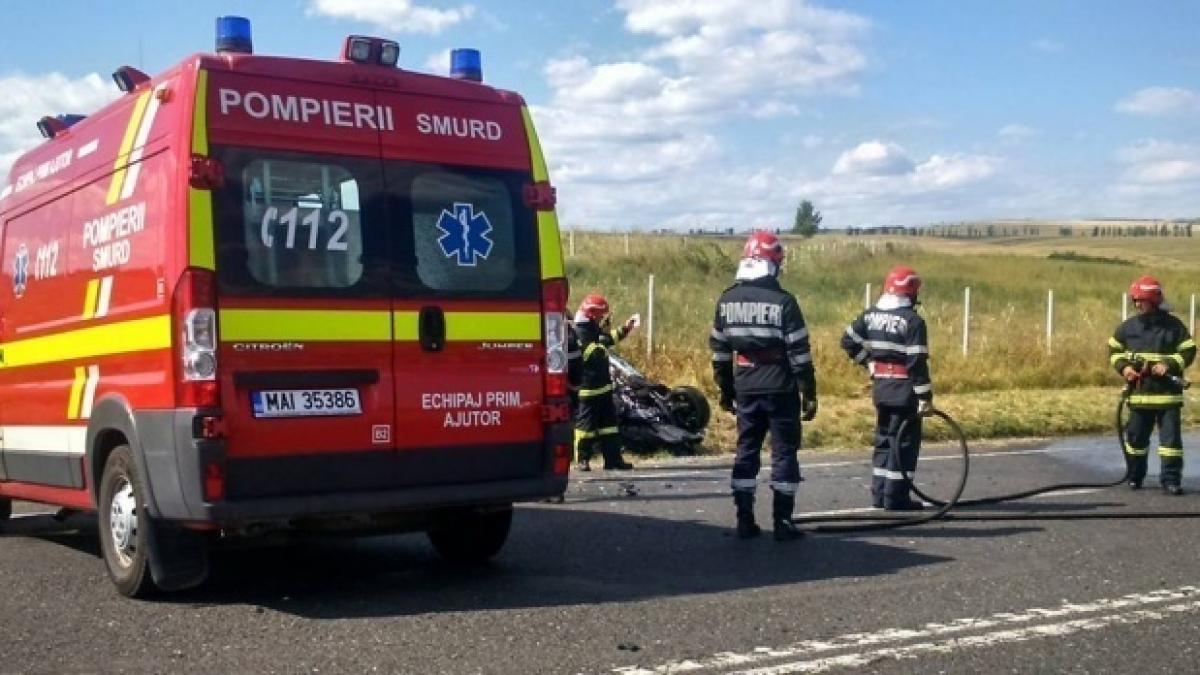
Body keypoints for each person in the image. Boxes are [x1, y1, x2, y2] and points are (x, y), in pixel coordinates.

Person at [709, 231, 816, 541]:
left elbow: (719, 353)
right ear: (772, 264)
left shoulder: (726, 300)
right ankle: (783, 523)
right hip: (780, 387)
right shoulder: (785, 302)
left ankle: (744, 520)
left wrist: (726, 391)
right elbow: (800, 354)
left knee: (746, 451)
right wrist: (808, 392)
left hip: (745, 386)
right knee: (784, 453)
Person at [840, 265, 932, 511]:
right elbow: (916, 362)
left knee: (884, 441)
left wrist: (869, 363)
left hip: (881, 388)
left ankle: (879, 494)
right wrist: (925, 396)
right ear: (910, 292)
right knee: (903, 444)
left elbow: (848, 340)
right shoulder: (913, 321)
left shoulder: (870, 314)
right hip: (905, 391)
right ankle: (896, 498)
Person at [1109, 275, 1195, 495]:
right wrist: (1125, 369)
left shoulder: (1174, 327)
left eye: (1143, 300)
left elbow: (1188, 350)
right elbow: (1114, 350)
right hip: (1139, 396)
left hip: (1168, 398)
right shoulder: (1127, 328)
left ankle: (1171, 481)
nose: (1138, 305)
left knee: (1170, 444)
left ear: (1155, 301)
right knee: (1136, 439)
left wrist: (1169, 364)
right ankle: (1135, 475)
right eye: (1135, 301)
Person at [573, 293, 639, 471]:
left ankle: (613, 460)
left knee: (609, 427)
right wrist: (602, 342)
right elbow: (591, 354)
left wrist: (626, 328)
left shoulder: (592, 328)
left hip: (604, 388)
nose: (603, 319)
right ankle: (582, 459)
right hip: (588, 390)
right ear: (593, 315)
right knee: (585, 428)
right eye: (601, 316)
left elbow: (607, 339)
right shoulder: (580, 331)